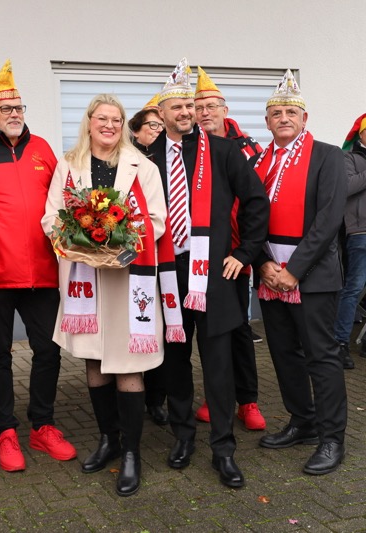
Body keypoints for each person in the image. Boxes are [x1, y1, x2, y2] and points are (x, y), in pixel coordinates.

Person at [43, 93, 171, 496]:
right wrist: (78, 242)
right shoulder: (68, 165)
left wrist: (119, 244)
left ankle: (131, 452)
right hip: (83, 274)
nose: (109, 126)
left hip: (127, 277)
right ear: (89, 122)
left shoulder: (142, 166)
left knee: (127, 363)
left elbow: (157, 219)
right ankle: (108, 440)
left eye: (116, 120)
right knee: (95, 359)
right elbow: (51, 216)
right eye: (102, 118)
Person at [149, 58, 269, 488]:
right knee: (176, 361)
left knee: (218, 364)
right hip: (167, 272)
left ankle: (223, 448)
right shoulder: (146, 158)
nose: (186, 112)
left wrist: (245, 252)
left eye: (190, 106)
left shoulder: (222, 151)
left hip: (216, 274)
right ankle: (183, 436)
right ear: (161, 113)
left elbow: (256, 202)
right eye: (177, 107)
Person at [0, 59, 76, 472]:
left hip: (43, 273)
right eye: (5, 109)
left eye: (18, 108)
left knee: (48, 350)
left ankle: (42, 425)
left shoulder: (42, 148)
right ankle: (5, 431)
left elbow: (64, 199)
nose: (14, 114)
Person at [252, 70, 348, 475]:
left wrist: (294, 270)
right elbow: (248, 217)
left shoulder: (327, 155)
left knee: (321, 357)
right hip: (269, 274)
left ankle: (332, 438)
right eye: (277, 113)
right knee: (283, 353)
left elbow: (329, 219)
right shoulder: (258, 161)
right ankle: (303, 421)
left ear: (304, 119)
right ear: (267, 121)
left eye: (291, 112)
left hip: (312, 275)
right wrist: (263, 263)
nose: (284, 118)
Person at [192, 67, 266, 430]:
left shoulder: (249, 149)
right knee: (211, 334)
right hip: (200, 258)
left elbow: (259, 203)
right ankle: (217, 396)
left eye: (211, 106)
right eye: (198, 107)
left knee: (238, 329)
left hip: (237, 256)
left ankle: (248, 401)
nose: (204, 112)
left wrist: (247, 252)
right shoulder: (188, 149)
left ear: (225, 109)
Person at [128, 93, 169, 426]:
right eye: (152, 125)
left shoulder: (170, 157)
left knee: (159, 328)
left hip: (163, 252)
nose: (157, 130)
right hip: (133, 253)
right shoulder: (124, 160)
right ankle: (130, 392)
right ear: (136, 130)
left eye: (161, 125)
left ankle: (156, 398)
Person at [334, 114, 366, 368]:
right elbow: (347, 187)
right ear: (361, 133)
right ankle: (340, 342)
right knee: (354, 288)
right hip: (360, 232)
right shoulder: (348, 158)